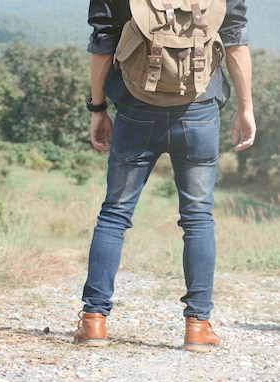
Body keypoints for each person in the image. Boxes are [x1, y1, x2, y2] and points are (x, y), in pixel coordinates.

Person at [74, 0, 256, 352]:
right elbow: (235, 41)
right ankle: (198, 326)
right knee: (198, 218)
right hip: (199, 111)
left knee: (114, 214)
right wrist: (246, 108)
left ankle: (94, 321)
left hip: (135, 109)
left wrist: (97, 108)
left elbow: (103, 41)